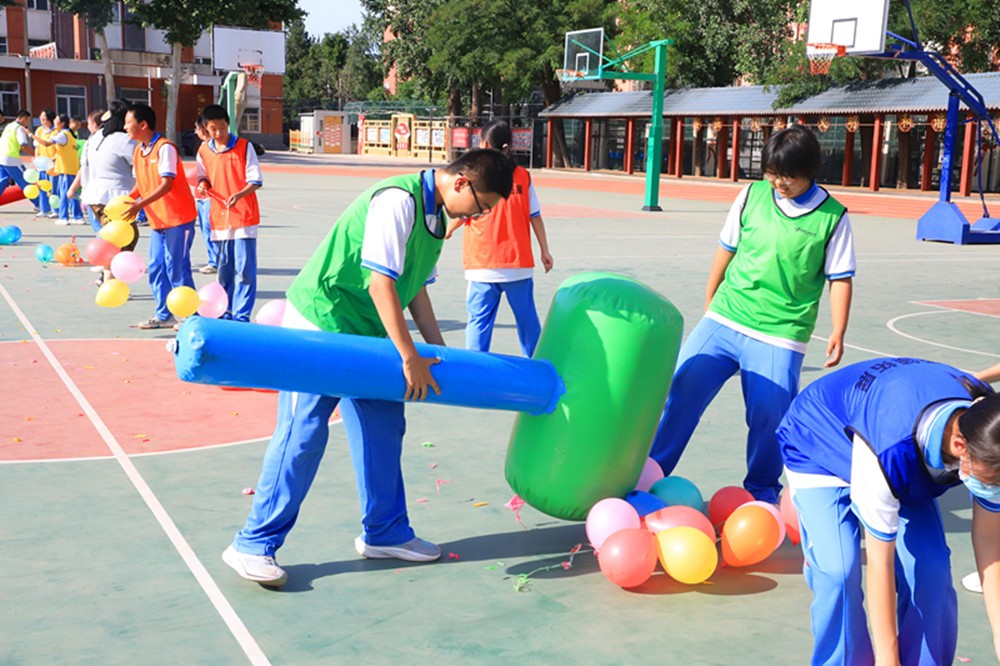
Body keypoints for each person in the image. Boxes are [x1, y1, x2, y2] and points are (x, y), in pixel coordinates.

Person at [222, 148, 514, 588]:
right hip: (321, 325)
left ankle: (385, 531)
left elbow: (415, 289)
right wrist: (409, 357)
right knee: (303, 432)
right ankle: (253, 542)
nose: (478, 216)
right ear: (461, 183)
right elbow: (381, 284)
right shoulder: (398, 201)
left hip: (370, 332)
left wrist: (438, 349)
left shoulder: (438, 218)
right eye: (481, 205)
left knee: (383, 425)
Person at [647, 125, 856, 504]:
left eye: (788, 176)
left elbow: (839, 278)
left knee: (768, 416)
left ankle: (762, 494)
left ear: (810, 171)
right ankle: (649, 472)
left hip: (780, 332)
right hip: (726, 317)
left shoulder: (833, 217)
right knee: (681, 391)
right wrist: (711, 297)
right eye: (772, 173)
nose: (778, 183)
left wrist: (838, 330)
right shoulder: (751, 195)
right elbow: (726, 248)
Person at [776, 357, 1000, 665]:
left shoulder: (989, 427)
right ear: (961, 447)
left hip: (896, 445)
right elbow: (879, 563)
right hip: (820, 442)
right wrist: (888, 659)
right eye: (993, 480)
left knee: (932, 571)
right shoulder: (890, 448)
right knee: (838, 573)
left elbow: (989, 541)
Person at [445, 120, 553, 357]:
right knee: (528, 323)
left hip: (482, 264)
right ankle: (536, 365)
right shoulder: (523, 176)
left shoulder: (475, 176)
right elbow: (535, 215)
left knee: (478, 322)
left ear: (484, 144)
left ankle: (476, 368)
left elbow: (464, 211)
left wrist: (448, 229)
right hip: (518, 264)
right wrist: (544, 250)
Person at [123, 103, 196, 330]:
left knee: (177, 267)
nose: (125, 127)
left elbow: (166, 184)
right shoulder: (138, 151)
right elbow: (141, 183)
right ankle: (164, 315)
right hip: (158, 220)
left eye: (128, 123)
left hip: (178, 218)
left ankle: (191, 316)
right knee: (156, 266)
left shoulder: (165, 148)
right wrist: (127, 200)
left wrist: (139, 205)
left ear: (143, 125)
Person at [196, 104, 261, 320]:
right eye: (213, 129)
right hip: (219, 218)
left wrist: (240, 195)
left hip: (244, 217)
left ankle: (242, 315)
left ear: (229, 124)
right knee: (224, 270)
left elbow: (255, 179)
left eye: (222, 127)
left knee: (245, 270)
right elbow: (203, 176)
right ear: (205, 129)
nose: (219, 133)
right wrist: (203, 184)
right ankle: (225, 311)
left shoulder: (244, 147)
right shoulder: (204, 151)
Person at [69, 102, 138, 286]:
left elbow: (84, 167)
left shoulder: (94, 138)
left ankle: (107, 279)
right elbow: (140, 165)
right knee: (122, 239)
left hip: (94, 197)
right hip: (116, 199)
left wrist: (75, 188)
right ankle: (109, 282)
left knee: (114, 239)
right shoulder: (125, 141)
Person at [191, 119, 219, 275]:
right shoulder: (203, 147)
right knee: (205, 229)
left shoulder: (215, 148)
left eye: (196, 129)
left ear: (203, 130)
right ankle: (213, 259)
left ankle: (216, 261)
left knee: (210, 229)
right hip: (201, 195)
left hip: (212, 196)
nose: (196, 132)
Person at [46, 114, 84, 226]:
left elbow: (46, 143)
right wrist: (54, 159)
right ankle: (78, 216)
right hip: (71, 169)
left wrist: (30, 135)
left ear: (62, 123)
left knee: (63, 194)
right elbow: (66, 152)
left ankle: (64, 217)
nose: (54, 121)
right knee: (73, 193)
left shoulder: (63, 135)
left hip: (66, 170)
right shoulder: (70, 135)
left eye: (56, 119)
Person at [0, 110, 40, 210]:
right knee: (26, 181)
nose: (27, 123)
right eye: (28, 120)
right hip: (11, 159)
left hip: (2, 157)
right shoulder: (19, 128)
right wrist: (36, 154)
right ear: (23, 118)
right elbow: (23, 145)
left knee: (3, 181)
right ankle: (39, 204)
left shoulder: (9, 126)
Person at [33, 109, 57, 219]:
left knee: (53, 188)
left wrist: (54, 160)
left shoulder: (56, 131)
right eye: (41, 116)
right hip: (41, 163)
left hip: (53, 163)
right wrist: (36, 159)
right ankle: (44, 209)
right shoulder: (39, 130)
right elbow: (37, 146)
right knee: (42, 186)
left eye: (44, 116)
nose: (41, 118)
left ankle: (55, 210)